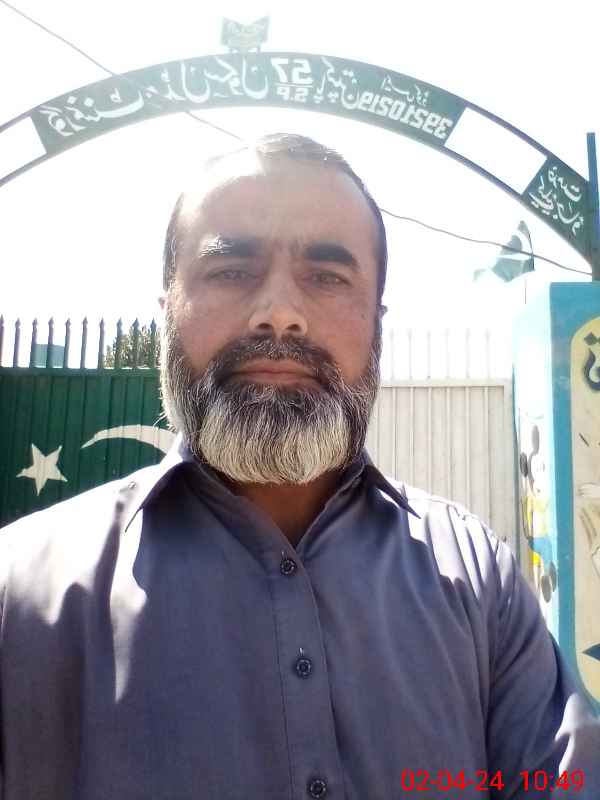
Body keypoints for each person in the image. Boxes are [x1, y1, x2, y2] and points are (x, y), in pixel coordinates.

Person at [0, 133, 598, 800]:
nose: (280, 314)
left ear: (377, 323)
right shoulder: (18, 590)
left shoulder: (478, 579)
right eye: (232, 271)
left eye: (327, 277)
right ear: (166, 310)